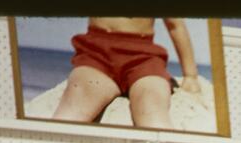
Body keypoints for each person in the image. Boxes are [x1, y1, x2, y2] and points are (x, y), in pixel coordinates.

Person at [51, 18, 204, 131]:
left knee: (152, 109)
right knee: (73, 110)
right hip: (97, 55)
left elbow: (175, 25)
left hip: (143, 57)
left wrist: (190, 75)